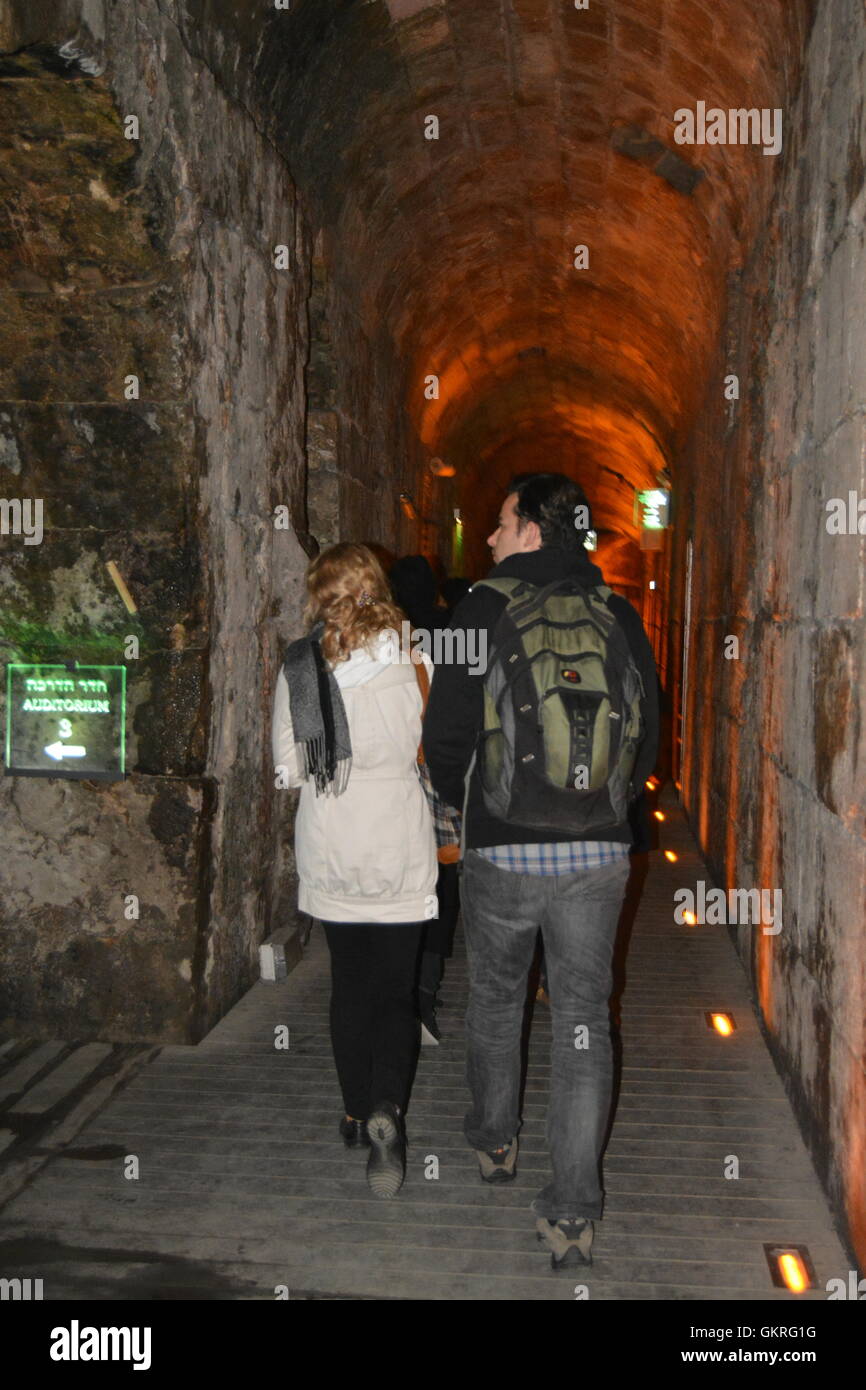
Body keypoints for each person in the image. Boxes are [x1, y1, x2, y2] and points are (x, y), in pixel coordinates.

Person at [423, 473, 659, 1268]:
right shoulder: (620, 612)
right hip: (597, 850)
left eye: (499, 521)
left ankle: (495, 1141)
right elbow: (650, 734)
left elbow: (447, 727)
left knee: (495, 995)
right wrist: (610, 807)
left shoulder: (480, 608)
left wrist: (452, 805)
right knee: (584, 1019)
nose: (488, 538)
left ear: (529, 531)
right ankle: (572, 1211)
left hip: (501, 843)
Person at [271, 542, 437, 1198]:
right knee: (396, 991)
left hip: (332, 836)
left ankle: (352, 1107)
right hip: (399, 837)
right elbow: (438, 750)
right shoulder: (417, 659)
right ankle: (387, 1111)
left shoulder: (300, 666)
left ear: (321, 595)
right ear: (377, 588)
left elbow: (286, 769)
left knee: (350, 985)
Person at [389, 555, 462, 1044]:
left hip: (395, 782)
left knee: (403, 886)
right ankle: (425, 989)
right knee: (441, 881)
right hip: (437, 777)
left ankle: (402, 989)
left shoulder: (390, 639)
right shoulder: (451, 632)